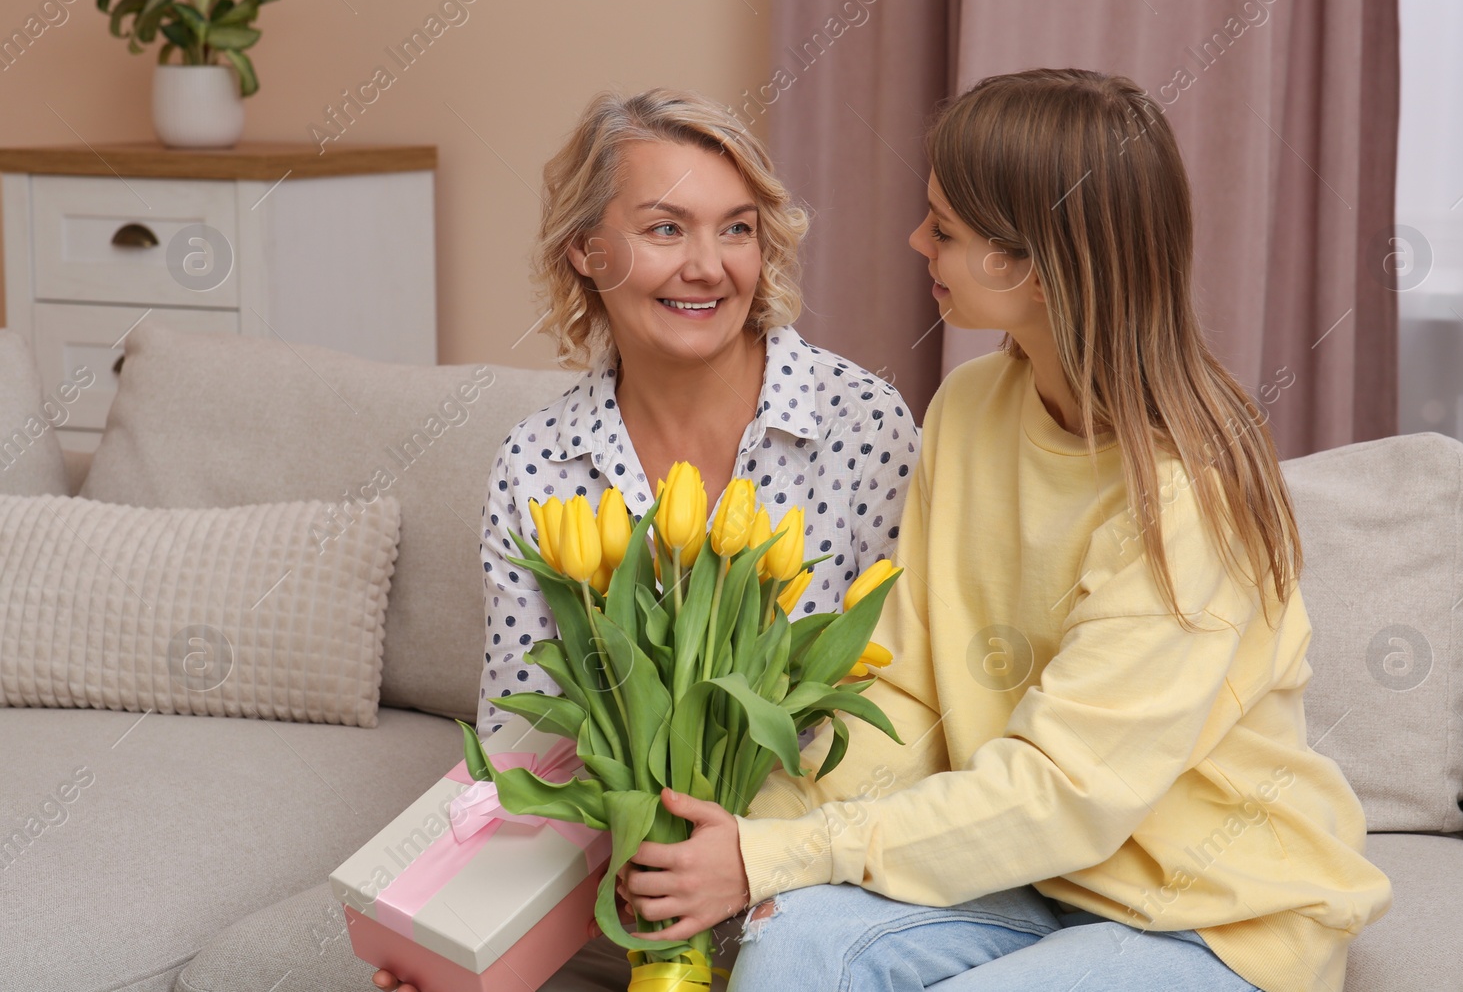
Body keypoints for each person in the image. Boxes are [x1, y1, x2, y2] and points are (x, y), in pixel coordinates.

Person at [610, 68, 1394, 992]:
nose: (916, 241)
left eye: (943, 227)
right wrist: (753, 833)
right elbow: (907, 689)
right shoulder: (971, 406)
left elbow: (1067, 795)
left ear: (1028, 263)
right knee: (793, 945)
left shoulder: (1192, 496)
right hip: (1024, 877)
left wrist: (789, 853)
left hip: (1209, 914)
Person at [371, 87, 918, 992]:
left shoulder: (860, 421)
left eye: (736, 230)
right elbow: (523, 731)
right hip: (628, 897)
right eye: (667, 229)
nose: (709, 266)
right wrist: (456, 933)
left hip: (818, 891)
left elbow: (910, 708)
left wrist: (756, 855)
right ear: (587, 251)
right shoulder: (539, 461)